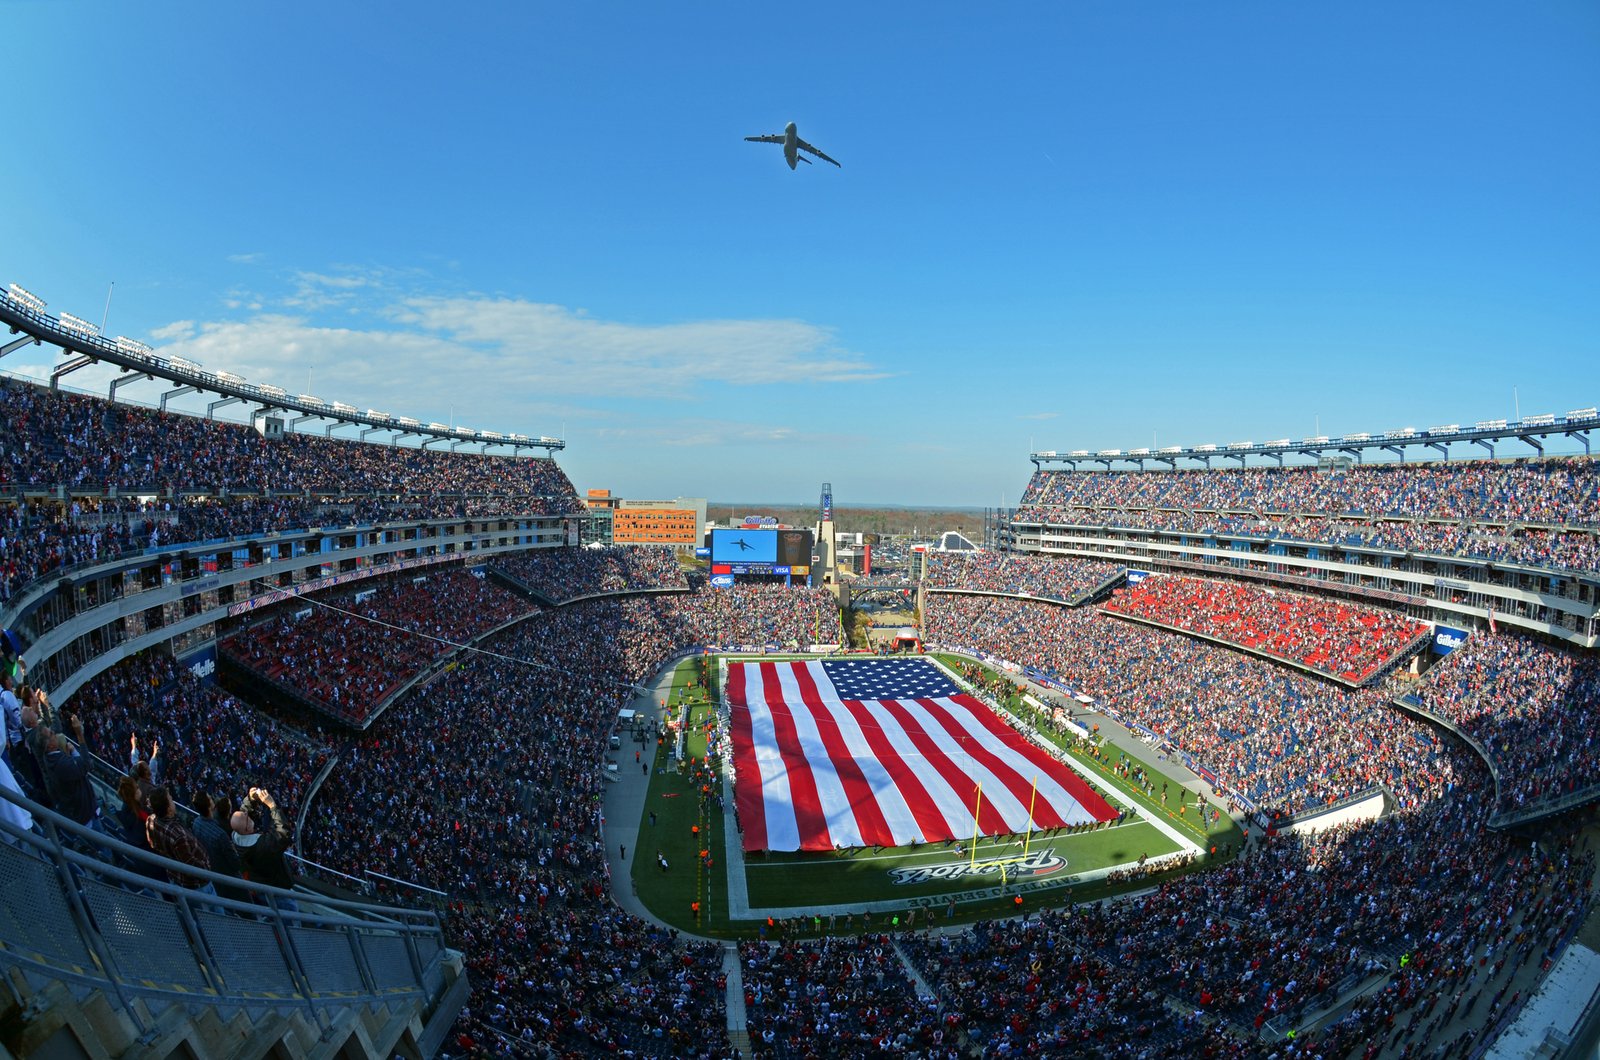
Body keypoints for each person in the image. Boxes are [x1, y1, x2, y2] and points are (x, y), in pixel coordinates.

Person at [232, 786, 296, 909]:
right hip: (278, 889)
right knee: (290, 918)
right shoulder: (261, 846)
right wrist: (272, 805)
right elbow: (283, 834)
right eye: (247, 818)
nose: (249, 816)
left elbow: (242, 815)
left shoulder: (237, 837)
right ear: (247, 829)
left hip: (261, 883)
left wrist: (250, 799)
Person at [146, 787, 214, 892]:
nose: (173, 802)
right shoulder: (178, 836)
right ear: (168, 809)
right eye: (171, 800)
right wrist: (207, 869)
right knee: (214, 908)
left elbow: (153, 844)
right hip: (196, 886)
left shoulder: (150, 820)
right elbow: (191, 867)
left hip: (174, 876)